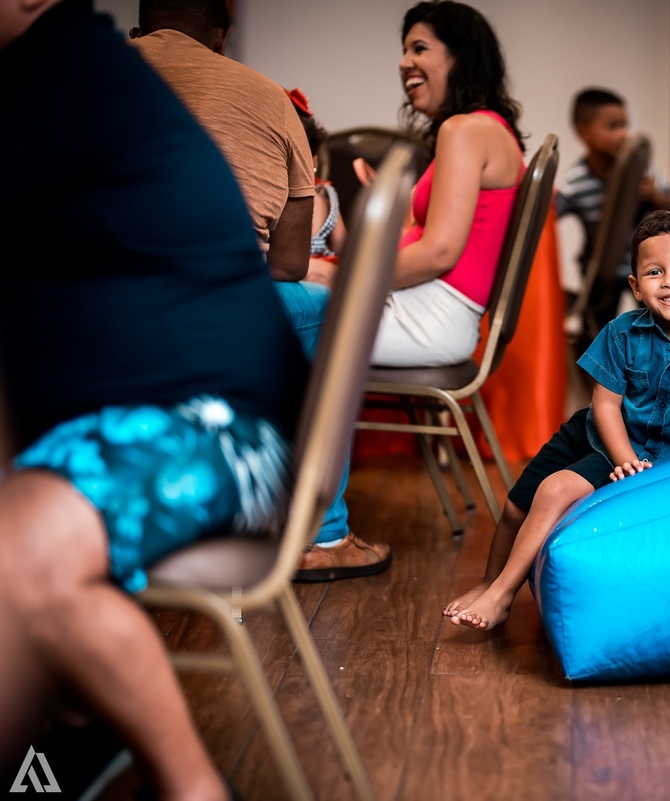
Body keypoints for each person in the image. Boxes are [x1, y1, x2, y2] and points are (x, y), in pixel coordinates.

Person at [0, 0, 309, 797]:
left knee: (14, 555)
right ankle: (79, 724)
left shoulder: (60, 73)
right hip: (138, 418)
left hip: (224, 433)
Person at [131, 0, 392, 581]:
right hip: (205, 309)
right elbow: (289, 263)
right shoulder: (266, 97)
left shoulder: (59, 78)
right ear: (222, 36)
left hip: (72, 314)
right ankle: (321, 535)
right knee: (333, 313)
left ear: (138, 28)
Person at [444, 211, 670, 630]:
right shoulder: (622, 332)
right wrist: (624, 459)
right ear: (636, 286)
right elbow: (605, 406)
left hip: (648, 454)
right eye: (655, 272)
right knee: (514, 506)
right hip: (600, 434)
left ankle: (502, 596)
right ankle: (486, 582)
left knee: (554, 490)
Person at [361, 0, 526, 369]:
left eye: (419, 48)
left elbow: (438, 253)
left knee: (271, 316)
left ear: (461, 57)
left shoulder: (464, 130)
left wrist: (345, 277)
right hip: (429, 312)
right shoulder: (487, 129)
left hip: (426, 319)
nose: (404, 62)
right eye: (404, 50)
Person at [557, 87, 670, 341]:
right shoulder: (575, 183)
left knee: (657, 332)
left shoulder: (641, 171)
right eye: (612, 126)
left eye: (625, 125)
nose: (623, 133)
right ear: (583, 130)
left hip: (645, 266)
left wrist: (654, 195)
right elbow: (548, 217)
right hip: (601, 273)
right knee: (598, 335)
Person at [288, 87, 346, 289]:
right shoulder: (325, 196)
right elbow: (343, 246)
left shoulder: (280, 196)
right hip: (319, 276)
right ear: (315, 160)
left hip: (297, 274)